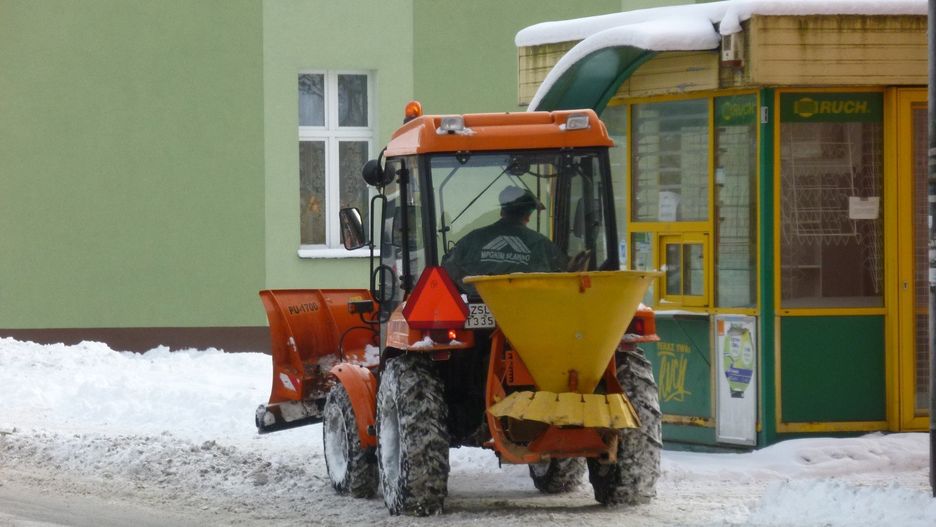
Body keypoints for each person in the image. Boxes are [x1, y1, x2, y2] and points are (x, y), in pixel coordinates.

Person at [442, 186, 567, 295]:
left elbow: (448, 266)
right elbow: (561, 276)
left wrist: (473, 290)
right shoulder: (541, 244)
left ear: (502, 211)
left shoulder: (472, 239)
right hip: (529, 309)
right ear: (528, 216)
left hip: (477, 301)